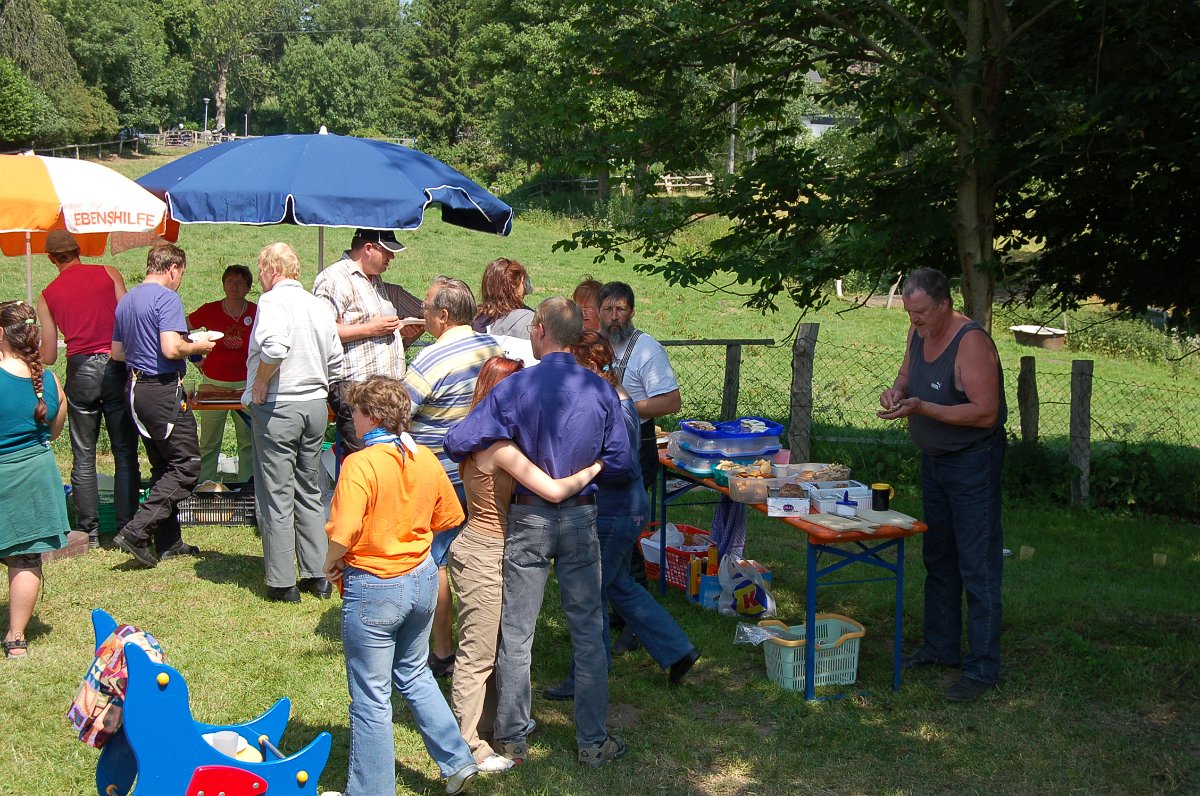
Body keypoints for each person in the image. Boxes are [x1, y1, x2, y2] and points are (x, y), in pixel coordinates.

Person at [444, 297, 632, 768]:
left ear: (542, 329)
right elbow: (622, 463)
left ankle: (511, 736)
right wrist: (589, 469)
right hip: (581, 515)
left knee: (518, 632)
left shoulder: (517, 386)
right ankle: (592, 741)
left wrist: (501, 445)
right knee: (588, 630)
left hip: (528, 519)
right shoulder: (602, 389)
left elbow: (457, 440)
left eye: (531, 327)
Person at [322, 376, 477, 796]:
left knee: (371, 696)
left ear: (370, 415)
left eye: (354, 411)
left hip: (375, 585)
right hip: (423, 578)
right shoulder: (423, 456)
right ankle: (457, 761)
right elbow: (449, 515)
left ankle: (370, 790)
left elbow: (343, 531)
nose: (351, 419)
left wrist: (330, 563)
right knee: (414, 672)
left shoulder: (360, 462)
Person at [542, 332, 700, 702]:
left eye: (576, 369)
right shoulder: (618, 400)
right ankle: (678, 651)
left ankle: (586, 676)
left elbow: (614, 465)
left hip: (614, 511)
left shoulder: (611, 406)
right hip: (626, 506)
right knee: (617, 584)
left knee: (590, 591)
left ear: (594, 369)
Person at [878, 267, 1007, 703]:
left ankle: (982, 668)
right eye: (909, 313)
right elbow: (904, 377)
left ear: (945, 305)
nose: (913, 321)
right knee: (938, 557)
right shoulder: (918, 333)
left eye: (920, 313)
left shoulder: (970, 343)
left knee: (978, 564)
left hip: (973, 464)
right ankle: (940, 647)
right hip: (934, 462)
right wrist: (895, 394)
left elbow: (986, 413)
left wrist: (924, 408)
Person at [403, 277, 503, 677]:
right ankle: (486, 647)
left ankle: (443, 651)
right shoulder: (492, 348)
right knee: (483, 562)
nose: (422, 312)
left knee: (437, 562)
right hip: (484, 474)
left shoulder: (430, 359)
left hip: (438, 476)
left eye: (426, 307)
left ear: (443, 316)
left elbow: (398, 415)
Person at [245, 243, 344, 603]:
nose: (259, 277)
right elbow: (335, 359)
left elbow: (274, 347)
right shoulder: (317, 305)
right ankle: (318, 573)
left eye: (260, 269)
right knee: (310, 489)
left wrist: (260, 381)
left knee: (276, 493)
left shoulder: (272, 302)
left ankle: (282, 580)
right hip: (315, 404)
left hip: (280, 405)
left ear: (272, 270)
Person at [110, 245, 215, 568]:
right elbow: (171, 348)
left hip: (136, 388)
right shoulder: (167, 298)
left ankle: (169, 541)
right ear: (172, 268)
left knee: (162, 465)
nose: (180, 280)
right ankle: (137, 532)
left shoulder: (127, 299)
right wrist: (198, 346)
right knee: (186, 467)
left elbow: (117, 353)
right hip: (163, 389)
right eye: (181, 273)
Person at [36, 229, 140, 549]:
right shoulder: (108, 273)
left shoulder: (47, 294)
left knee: (84, 454)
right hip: (115, 364)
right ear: (79, 250)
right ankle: (125, 527)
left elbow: (50, 355)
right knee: (124, 452)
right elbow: (130, 319)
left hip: (80, 370)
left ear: (52, 259)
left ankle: (89, 532)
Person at [598, 281, 682, 645]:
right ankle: (622, 608)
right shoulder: (595, 346)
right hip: (604, 446)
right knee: (614, 533)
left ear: (632, 312)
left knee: (627, 533)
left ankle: (634, 617)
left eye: (621, 309)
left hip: (638, 445)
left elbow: (670, 402)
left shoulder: (646, 349)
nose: (614, 317)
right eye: (608, 310)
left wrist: (622, 407)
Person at [313, 228, 424, 456]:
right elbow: (323, 330)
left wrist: (398, 333)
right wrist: (371, 329)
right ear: (368, 249)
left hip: (381, 389)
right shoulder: (334, 278)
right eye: (387, 252)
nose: (391, 258)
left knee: (388, 459)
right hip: (356, 388)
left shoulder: (373, 279)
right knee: (364, 459)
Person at [0, 301, 68, 658]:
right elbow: (54, 431)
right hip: (35, 475)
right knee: (25, 559)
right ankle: (16, 638)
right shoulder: (50, 381)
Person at [187, 265, 257, 483]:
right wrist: (195, 357)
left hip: (247, 384)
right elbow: (182, 329)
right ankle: (204, 487)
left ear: (248, 287)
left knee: (248, 440)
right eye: (229, 282)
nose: (234, 287)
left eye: (239, 283)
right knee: (209, 440)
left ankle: (247, 487)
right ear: (223, 284)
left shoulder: (257, 312)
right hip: (213, 385)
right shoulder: (210, 310)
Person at [471, 258, 534, 338]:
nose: (525, 288)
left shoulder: (474, 319)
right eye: (523, 283)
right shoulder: (529, 319)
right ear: (514, 287)